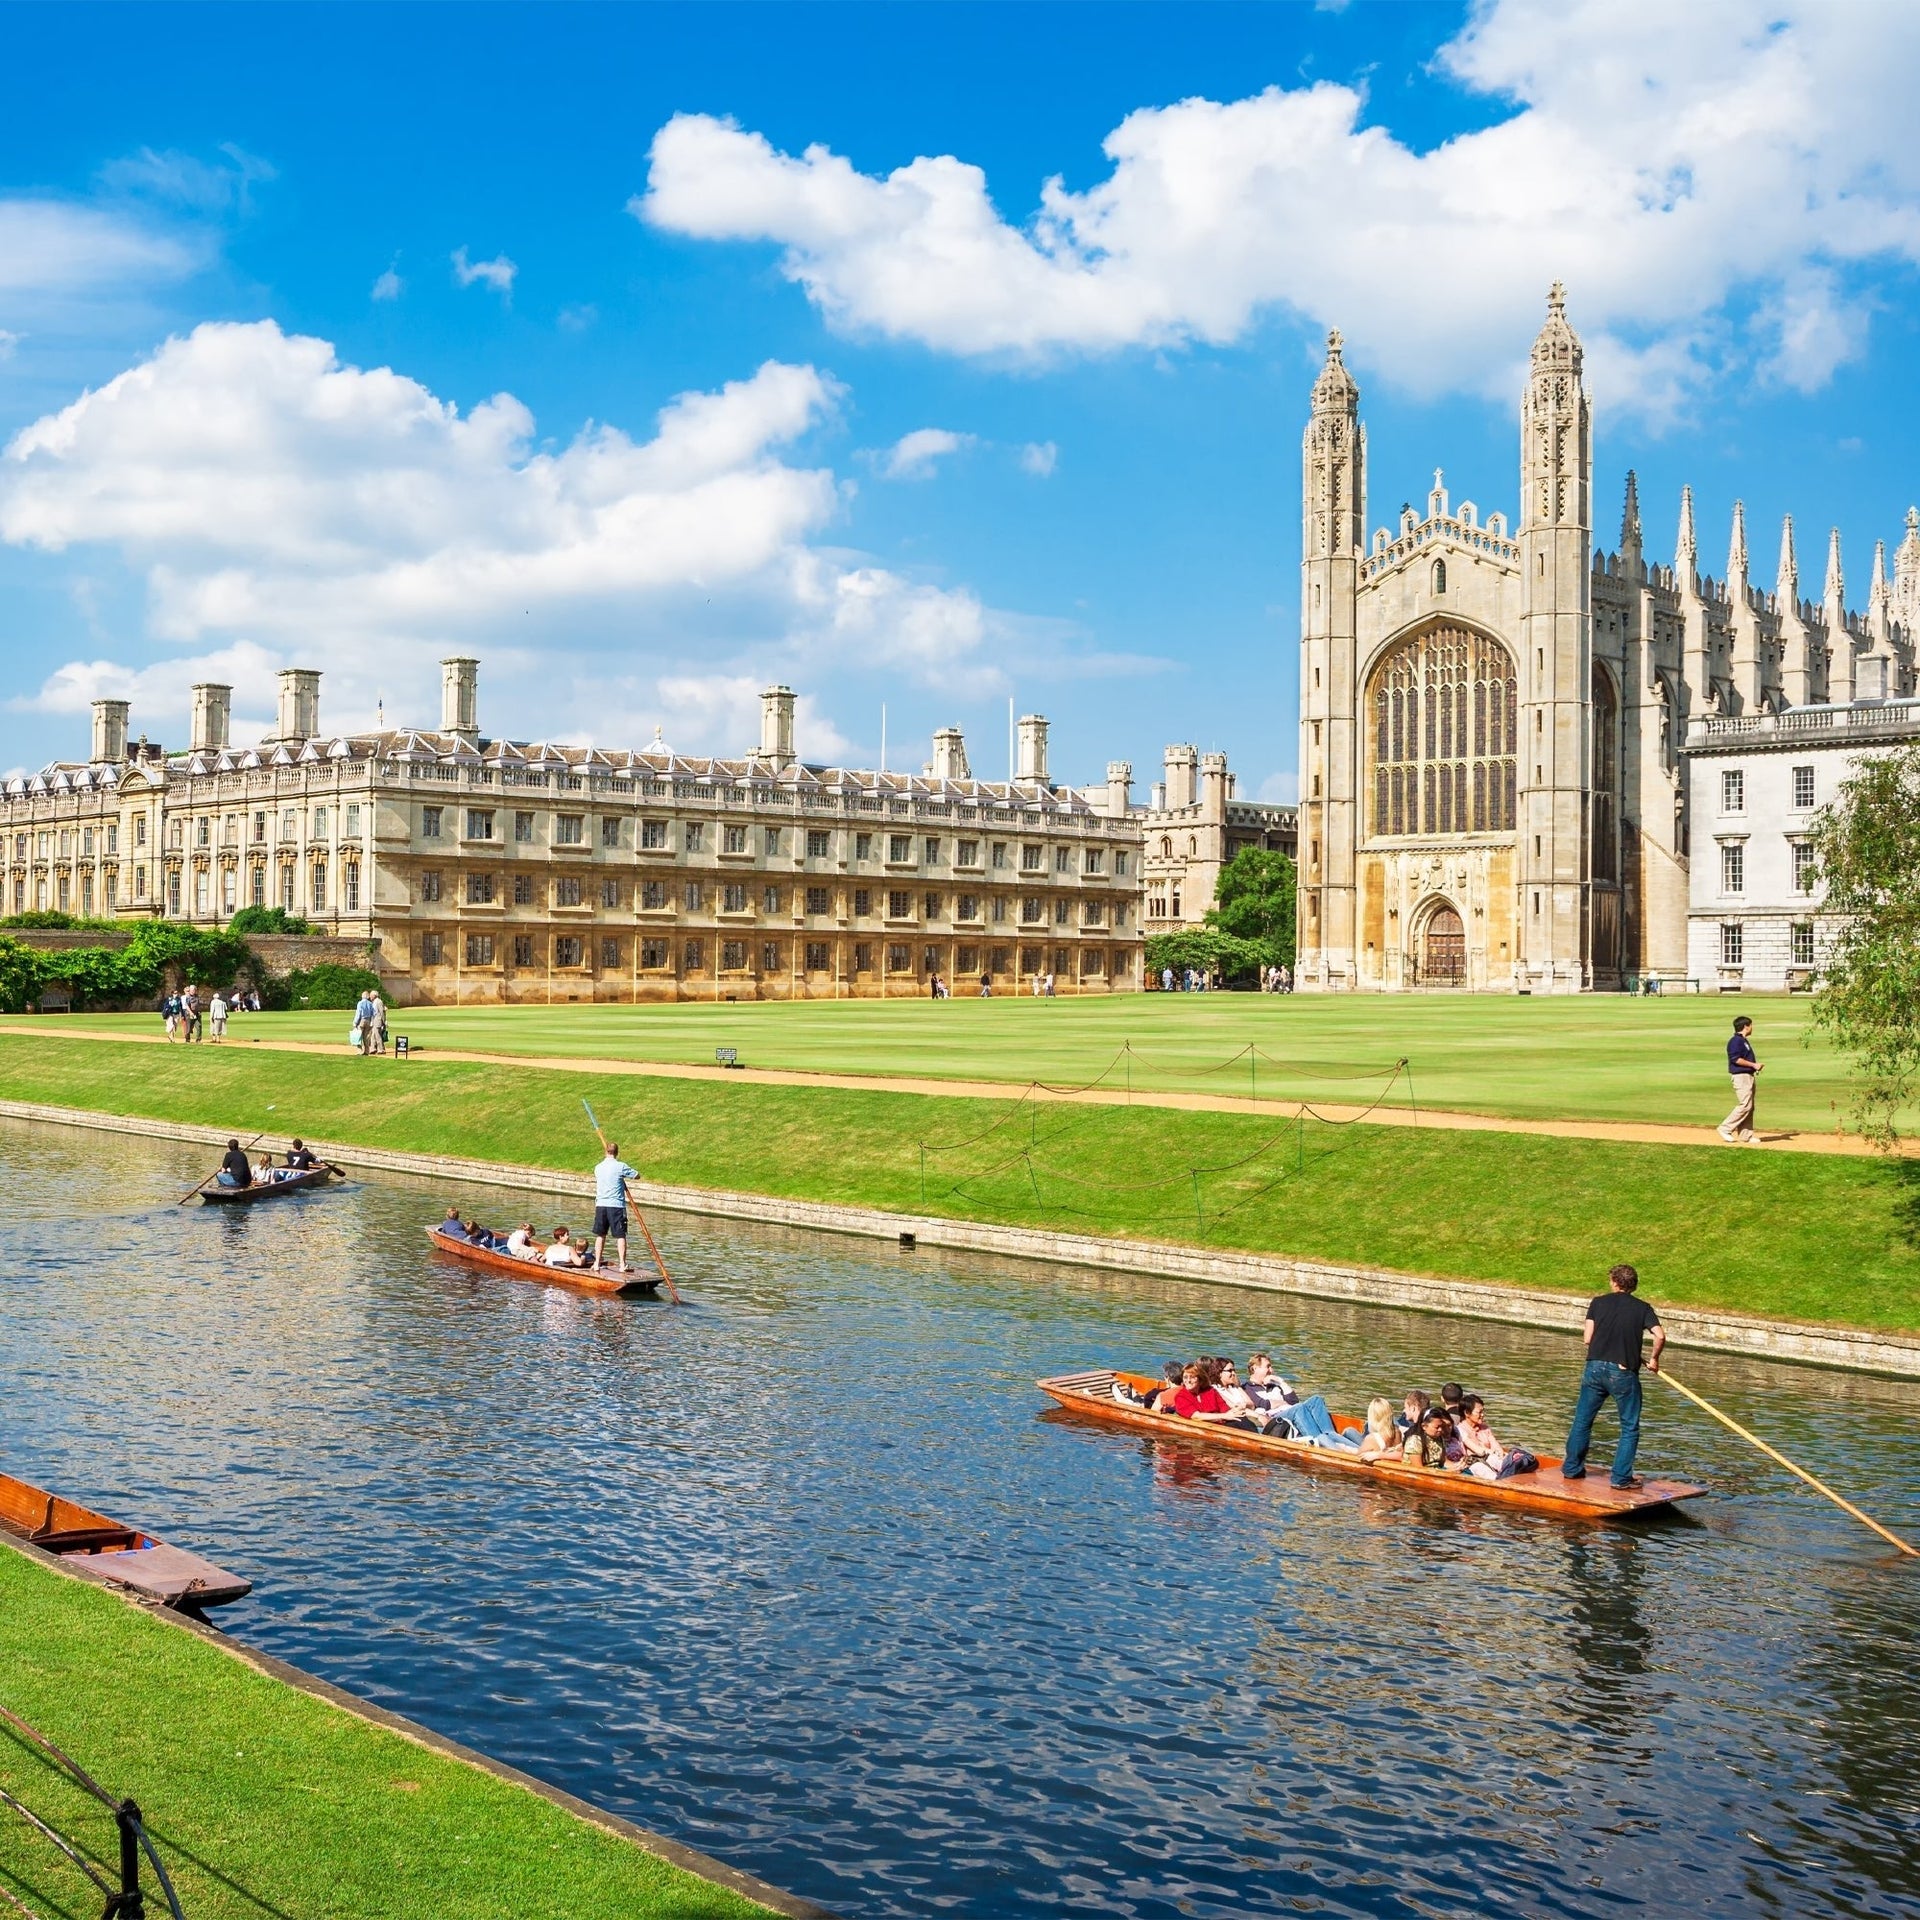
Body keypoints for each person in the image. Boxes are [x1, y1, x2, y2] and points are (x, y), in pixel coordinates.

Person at [1562, 1262, 1666, 1489]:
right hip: (1622, 1372)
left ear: (1615, 1282)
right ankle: (1620, 1479)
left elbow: (1588, 1338)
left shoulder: (1598, 1303)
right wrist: (1654, 1358)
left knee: (1582, 1420)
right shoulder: (1643, 1308)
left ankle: (1571, 1469)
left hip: (1595, 1368)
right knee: (1629, 1426)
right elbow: (1659, 1336)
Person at [591, 1140, 639, 1272]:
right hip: (616, 1206)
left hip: (600, 1205)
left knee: (600, 1235)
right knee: (620, 1235)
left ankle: (596, 1264)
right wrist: (621, 1176)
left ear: (605, 1152)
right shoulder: (621, 1166)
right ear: (617, 1153)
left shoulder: (598, 1167)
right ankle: (622, 1265)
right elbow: (636, 1175)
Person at [1719, 1015, 1761, 1144]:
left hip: (1747, 1076)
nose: (1752, 1028)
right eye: (1751, 1025)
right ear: (1746, 1026)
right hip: (1741, 1076)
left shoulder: (1743, 1040)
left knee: (1750, 1106)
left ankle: (1745, 1135)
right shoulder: (1735, 1041)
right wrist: (1753, 1065)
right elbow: (1735, 1059)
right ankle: (1725, 1128)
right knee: (1745, 1105)